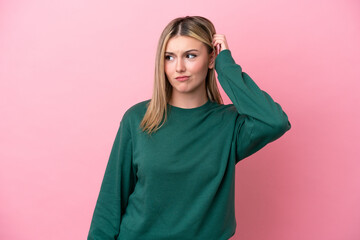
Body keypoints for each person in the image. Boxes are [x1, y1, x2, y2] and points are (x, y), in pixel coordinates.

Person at [87, 15, 291, 240]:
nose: (179, 67)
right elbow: (110, 203)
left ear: (210, 58)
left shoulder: (230, 124)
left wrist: (226, 66)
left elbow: (275, 121)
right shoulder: (137, 119)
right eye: (170, 57)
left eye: (191, 56)